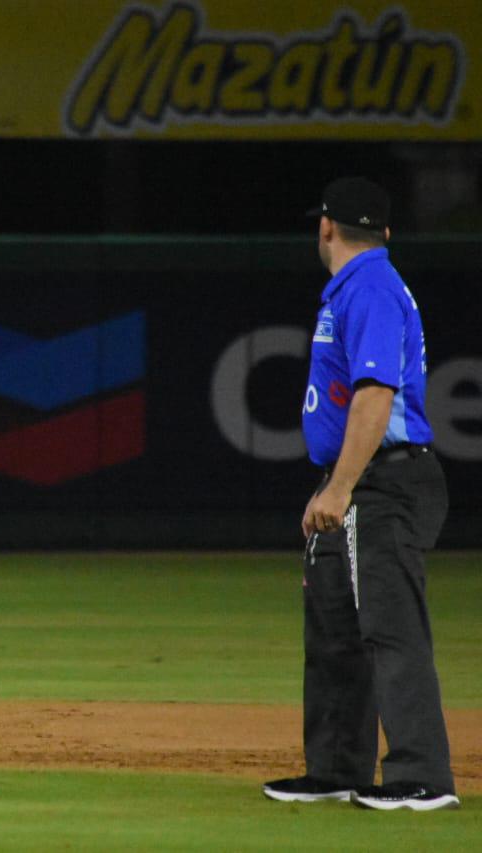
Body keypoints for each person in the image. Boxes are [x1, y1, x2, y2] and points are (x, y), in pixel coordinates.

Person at [262, 178, 457, 811]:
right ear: (386, 234)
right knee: (336, 630)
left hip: (386, 479)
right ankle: (337, 768)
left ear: (326, 228)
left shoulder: (370, 287)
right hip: (359, 478)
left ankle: (421, 777)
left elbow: (377, 394)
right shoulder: (359, 286)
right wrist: (334, 483)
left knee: (390, 627)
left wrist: (342, 486)